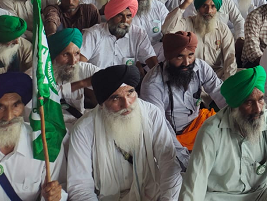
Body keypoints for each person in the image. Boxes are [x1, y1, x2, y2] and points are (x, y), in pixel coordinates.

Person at [179, 66, 267, 201]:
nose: (258, 109)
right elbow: (194, 184)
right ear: (234, 106)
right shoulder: (211, 131)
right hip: (222, 196)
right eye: (249, 103)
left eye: (260, 100)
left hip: (261, 192)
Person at [68, 64, 182, 200]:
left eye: (130, 93)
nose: (127, 104)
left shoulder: (151, 114)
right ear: (102, 104)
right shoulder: (83, 130)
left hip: (153, 194)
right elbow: (80, 187)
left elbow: (168, 163)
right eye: (115, 98)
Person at [0, 72, 66, 200]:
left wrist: (54, 196)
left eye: (15, 105)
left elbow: (62, 188)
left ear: (23, 106)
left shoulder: (45, 143)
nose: (9, 116)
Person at [141, 32, 225, 153]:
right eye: (179, 57)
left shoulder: (200, 67)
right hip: (173, 135)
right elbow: (160, 125)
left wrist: (238, 118)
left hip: (198, 124)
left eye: (190, 55)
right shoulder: (153, 83)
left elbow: (220, 93)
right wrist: (182, 155)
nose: (186, 62)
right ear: (168, 57)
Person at [162, 0, 237, 81]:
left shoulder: (223, 29)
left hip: (215, 74)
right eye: (204, 6)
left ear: (217, 9)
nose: (208, 11)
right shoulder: (187, 23)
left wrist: (229, 83)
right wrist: (185, 4)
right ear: (198, 8)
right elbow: (167, 30)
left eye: (213, 6)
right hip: (190, 73)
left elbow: (230, 58)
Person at [80, 0, 158, 70]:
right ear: (110, 17)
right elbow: (80, 64)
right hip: (97, 82)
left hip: (127, 84)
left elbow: (152, 61)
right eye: (120, 15)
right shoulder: (94, 33)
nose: (124, 21)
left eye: (128, 16)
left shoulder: (138, 34)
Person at [47, 28, 99, 126]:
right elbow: (45, 96)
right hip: (51, 128)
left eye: (77, 54)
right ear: (53, 55)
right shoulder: (37, 75)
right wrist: (81, 84)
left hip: (79, 123)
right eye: (66, 54)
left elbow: (108, 77)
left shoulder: (81, 67)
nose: (73, 61)